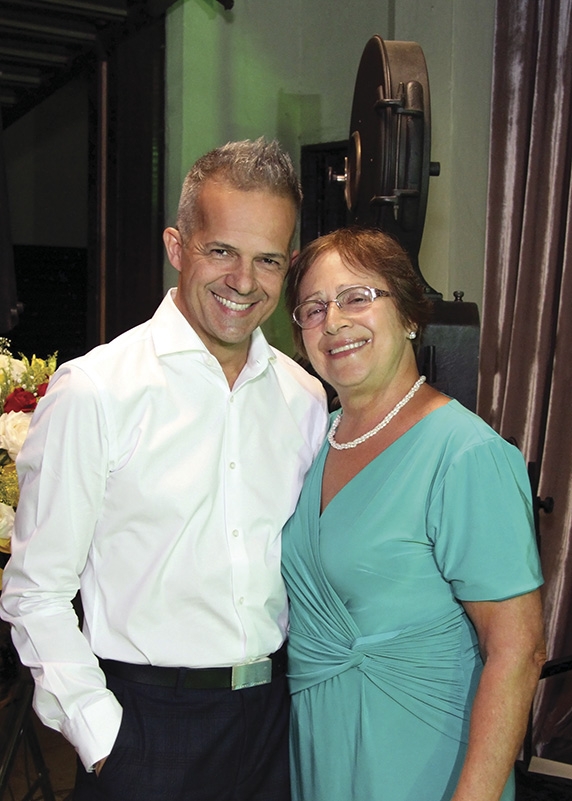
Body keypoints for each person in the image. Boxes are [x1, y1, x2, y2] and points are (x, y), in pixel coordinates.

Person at [0, 138, 329, 801]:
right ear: (177, 247)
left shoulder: (305, 397)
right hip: (145, 729)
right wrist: (104, 739)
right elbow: (35, 591)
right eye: (221, 251)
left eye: (267, 259)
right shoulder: (96, 390)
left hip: (274, 724)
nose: (244, 281)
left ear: (288, 265)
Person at [281, 226, 546, 801]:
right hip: (321, 746)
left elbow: (517, 650)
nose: (334, 322)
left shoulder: (465, 454)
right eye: (314, 308)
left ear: (406, 314)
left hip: (423, 758)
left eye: (356, 297)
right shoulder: (310, 442)